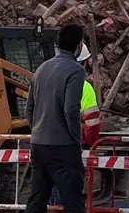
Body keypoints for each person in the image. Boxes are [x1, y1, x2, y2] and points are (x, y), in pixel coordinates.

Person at [25, 24, 87, 213]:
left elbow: (29, 109)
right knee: (73, 201)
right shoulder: (76, 70)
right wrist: (77, 138)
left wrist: (37, 130)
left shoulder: (42, 69)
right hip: (63, 147)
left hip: (39, 145)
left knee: (37, 199)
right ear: (79, 45)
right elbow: (71, 110)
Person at [77, 42, 101, 147]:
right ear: (84, 63)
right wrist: (89, 145)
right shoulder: (84, 87)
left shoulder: (46, 80)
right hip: (70, 146)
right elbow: (92, 124)